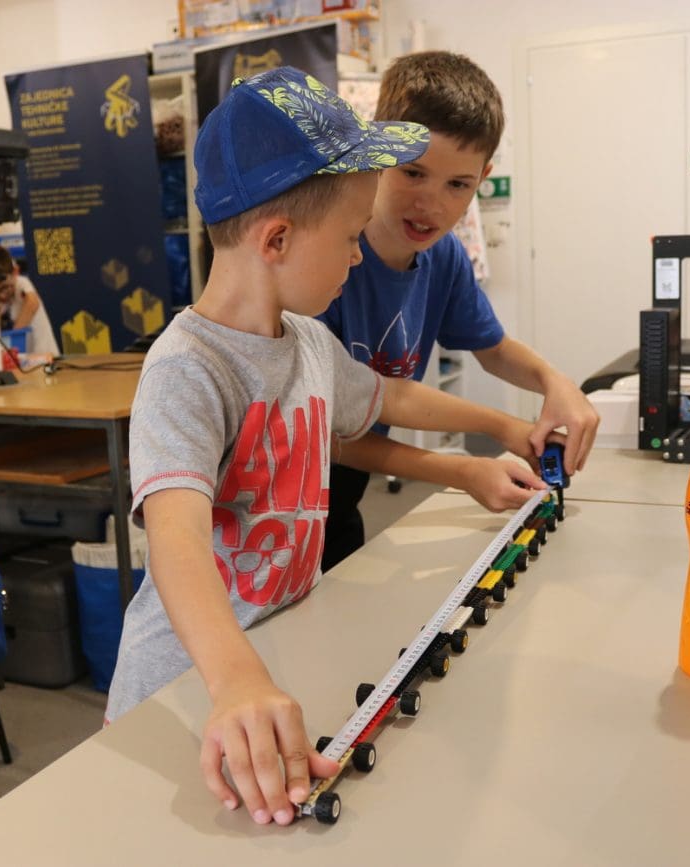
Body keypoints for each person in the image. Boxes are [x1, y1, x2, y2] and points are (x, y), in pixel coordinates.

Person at [106, 67, 549, 827]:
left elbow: (390, 398)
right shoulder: (188, 369)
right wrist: (235, 678)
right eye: (348, 238)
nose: (357, 257)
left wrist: (502, 430)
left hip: (272, 667)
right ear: (276, 240)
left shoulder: (308, 342)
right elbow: (176, 539)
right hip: (188, 690)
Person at [318, 51, 601, 570]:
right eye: (414, 172)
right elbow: (325, 431)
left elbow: (492, 348)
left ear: (482, 177)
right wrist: (468, 463)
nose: (431, 205)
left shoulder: (443, 255)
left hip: (343, 491)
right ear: (377, 152)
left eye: (457, 185)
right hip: (285, 496)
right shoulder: (328, 255)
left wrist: (554, 382)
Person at [0, 245, 60, 359]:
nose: (2, 295)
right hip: (24, 362)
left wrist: (14, 337)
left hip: (45, 357)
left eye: (5, 287)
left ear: (15, 272)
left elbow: (32, 302)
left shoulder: (21, 284)